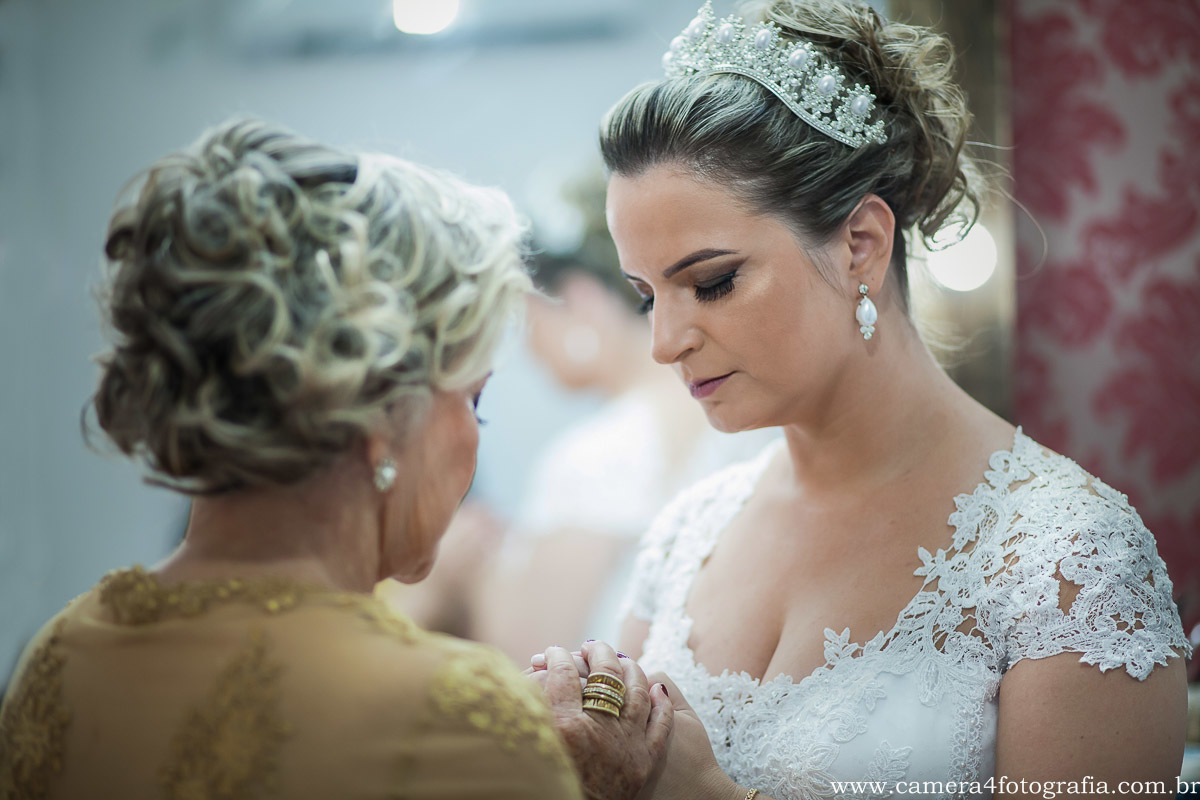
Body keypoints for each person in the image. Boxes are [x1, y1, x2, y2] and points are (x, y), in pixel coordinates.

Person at [535, 1, 1190, 796]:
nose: (665, 341)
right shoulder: (688, 535)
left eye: (712, 283)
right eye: (647, 296)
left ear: (860, 245)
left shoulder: (1069, 567)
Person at [0, 118, 672, 800]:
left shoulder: (61, 655)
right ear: (382, 414)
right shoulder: (456, 719)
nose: (473, 440)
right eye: (474, 401)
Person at [474, 172, 778, 662]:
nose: (531, 349)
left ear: (580, 300)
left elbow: (532, 656)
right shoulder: (744, 404)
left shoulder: (599, 452)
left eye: (530, 321)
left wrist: (474, 573)